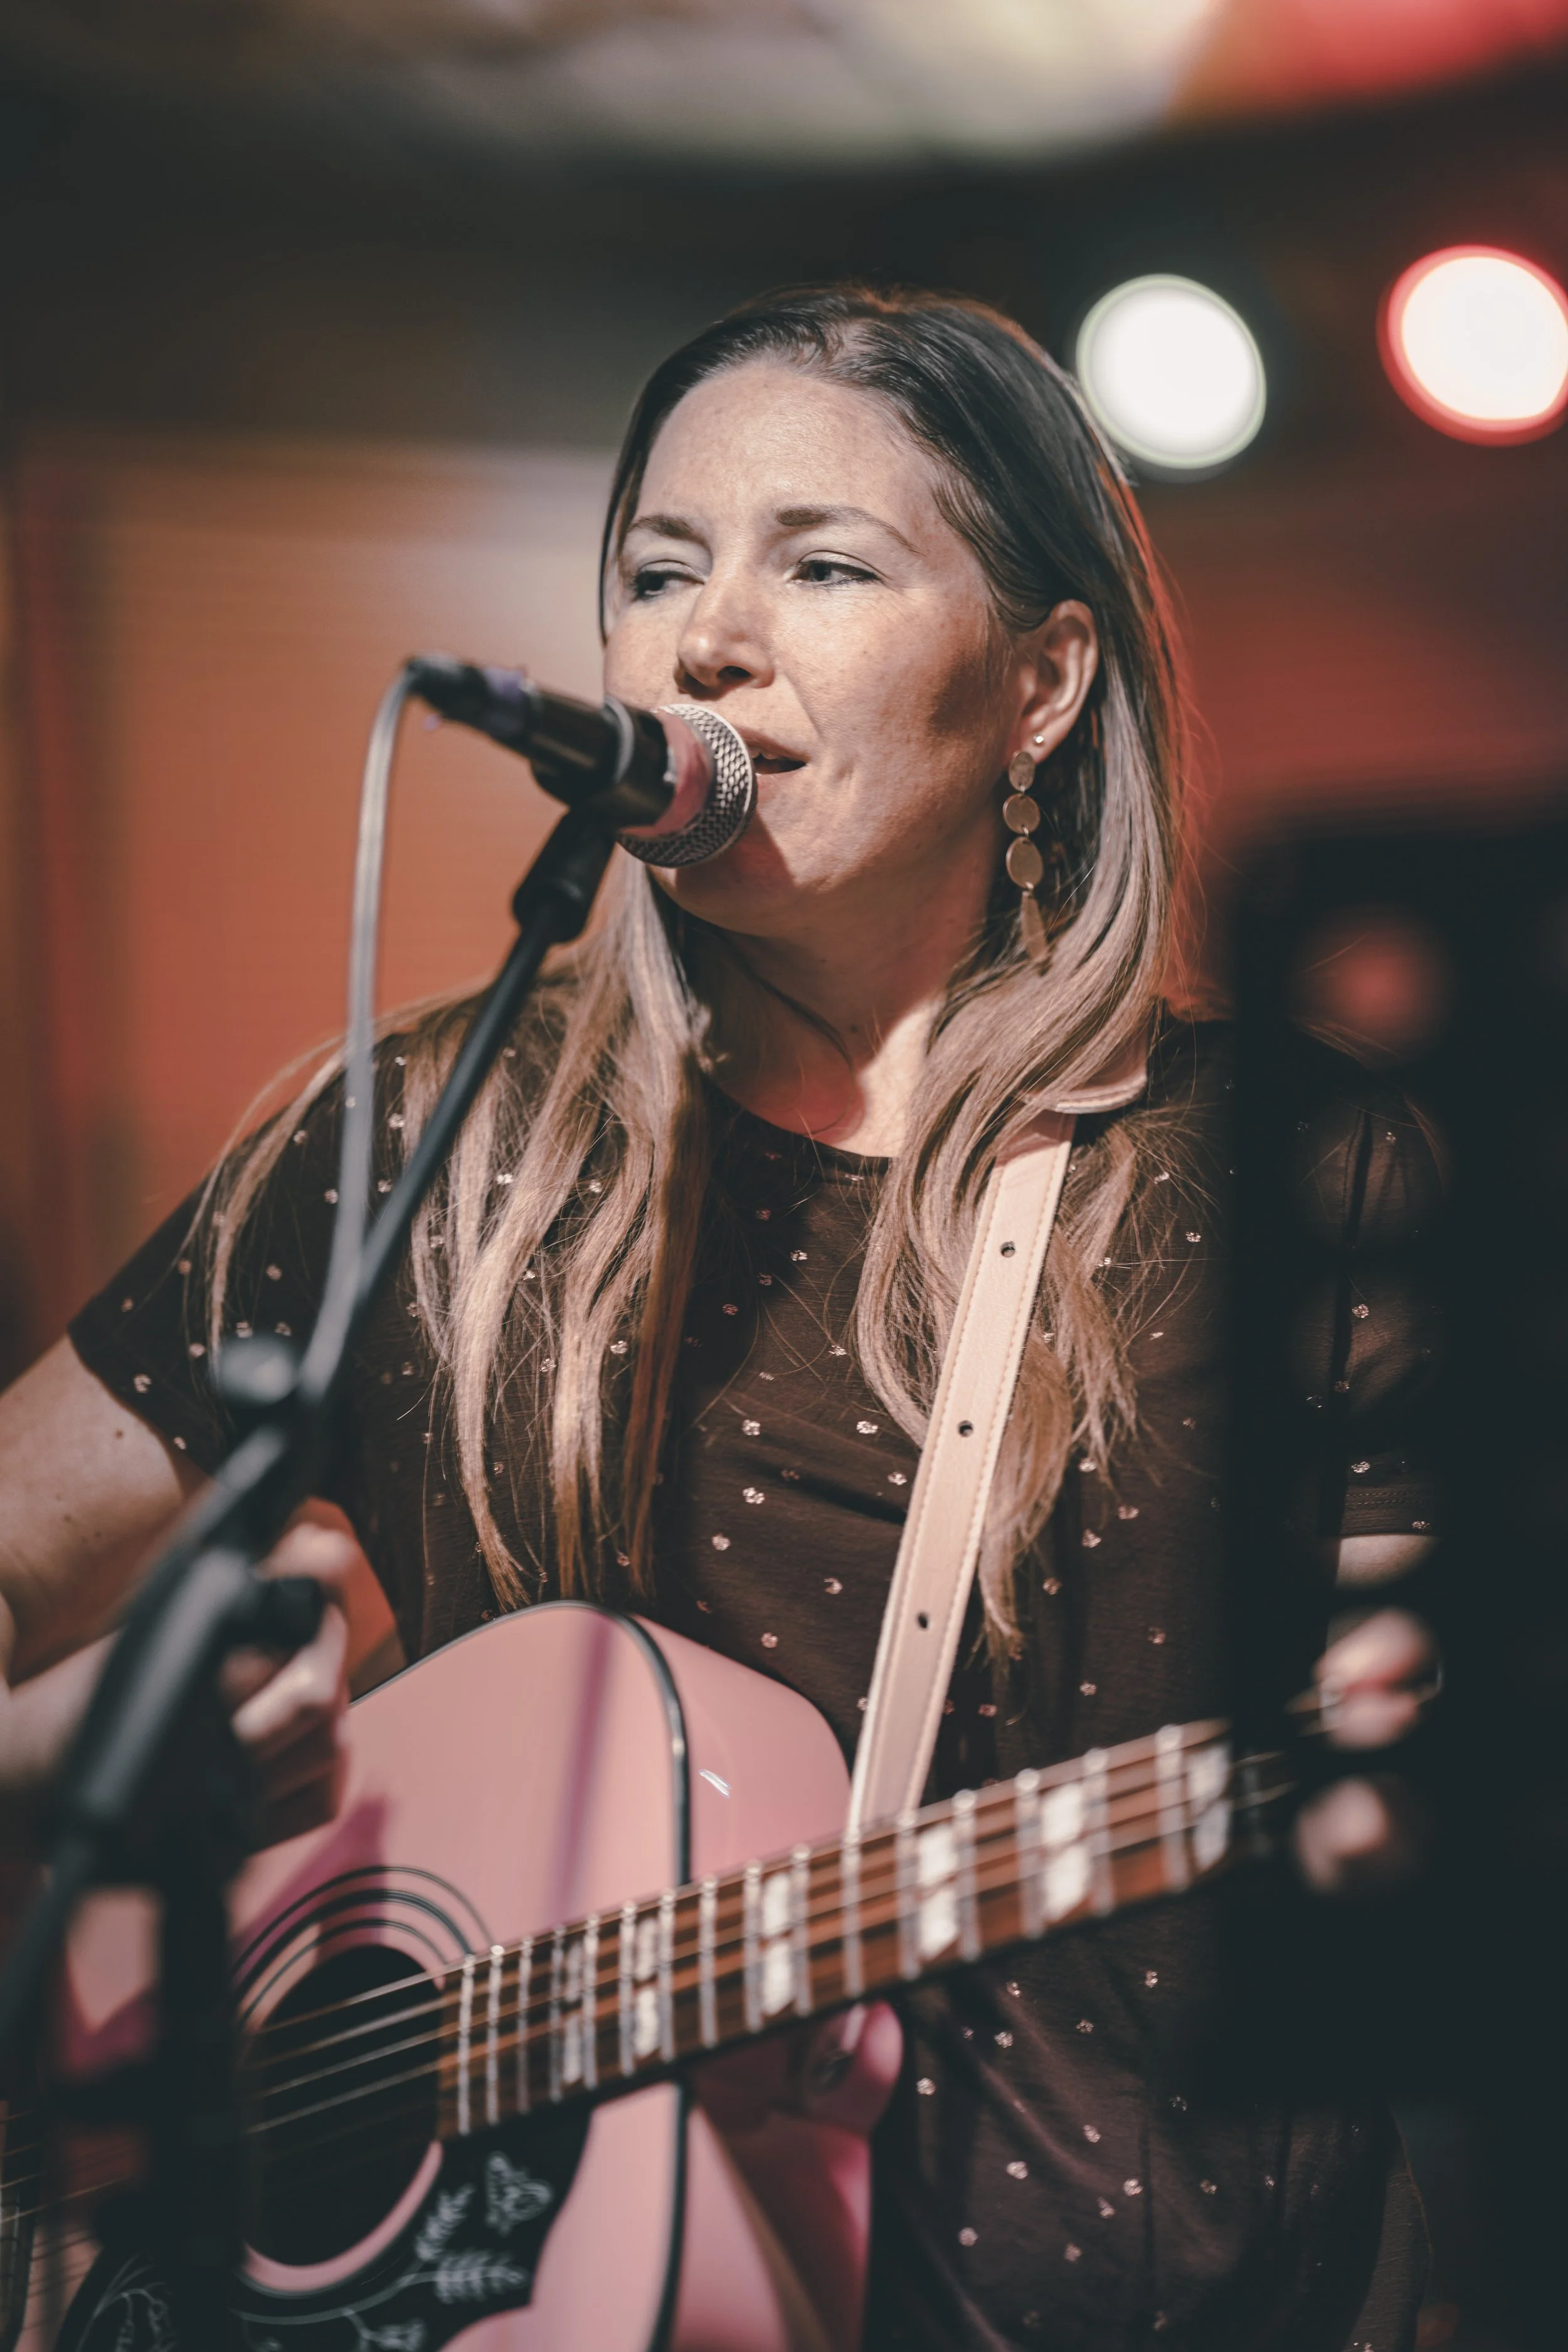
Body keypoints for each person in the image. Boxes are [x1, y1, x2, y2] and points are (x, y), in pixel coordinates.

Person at [0, 286, 1439, 2349]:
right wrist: (61, 1764)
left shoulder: (1294, 1169)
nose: (701, 639)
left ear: (1039, 683)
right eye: (656, 570)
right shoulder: (431, 1138)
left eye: (823, 564)